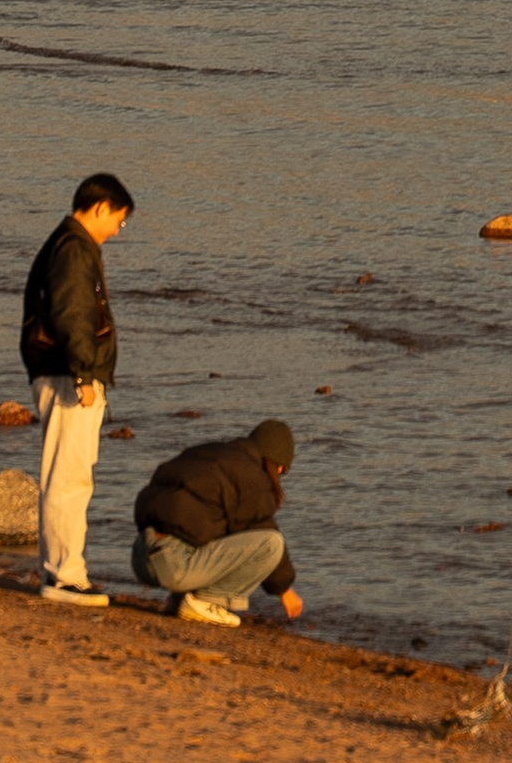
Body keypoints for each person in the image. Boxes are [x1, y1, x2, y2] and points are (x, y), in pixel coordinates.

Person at [18, 171, 133, 607]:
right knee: (68, 477)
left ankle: (60, 570)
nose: (116, 231)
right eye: (118, 220)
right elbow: (71, 314)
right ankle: (65, 576)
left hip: (65, 372)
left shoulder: (69, 244)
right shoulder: (73, 248)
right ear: (100, 207)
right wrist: (85, 374)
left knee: (68, 475)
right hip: (68, 377)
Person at [131, 420, 306, 629]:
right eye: (282, 471)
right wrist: (284, 589)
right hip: (173, 567)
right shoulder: (251, 475)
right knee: (271, 543)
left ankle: (179, 600)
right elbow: (263, 528)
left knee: (210, 524)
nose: (279, 476)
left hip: (141, 556)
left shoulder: (211, 454)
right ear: (275, 462)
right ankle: (206, 602)